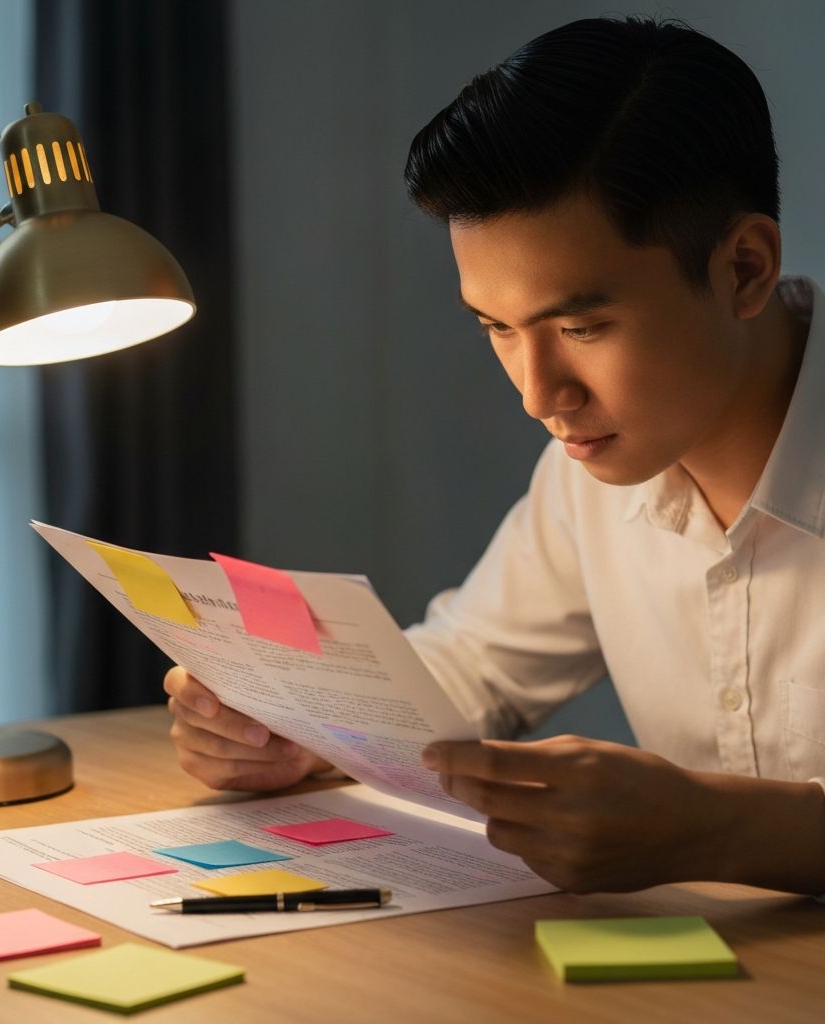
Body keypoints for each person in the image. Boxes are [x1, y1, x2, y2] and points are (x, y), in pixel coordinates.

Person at [164, 15, 825, 895]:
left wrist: (719, 832)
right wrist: (298, 726)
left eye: (582, 326)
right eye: (498, 329)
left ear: (744, 267)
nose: (538, 394)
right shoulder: (591, 470)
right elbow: (474, 665)